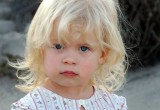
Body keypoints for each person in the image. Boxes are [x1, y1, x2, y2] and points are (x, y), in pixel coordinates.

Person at [11, 0, 128, 109]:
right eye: (58, 46)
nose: (70, 59)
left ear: (103, 54)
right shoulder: (30, 107)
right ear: (41, 48)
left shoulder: (113, 105)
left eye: (83, 48)